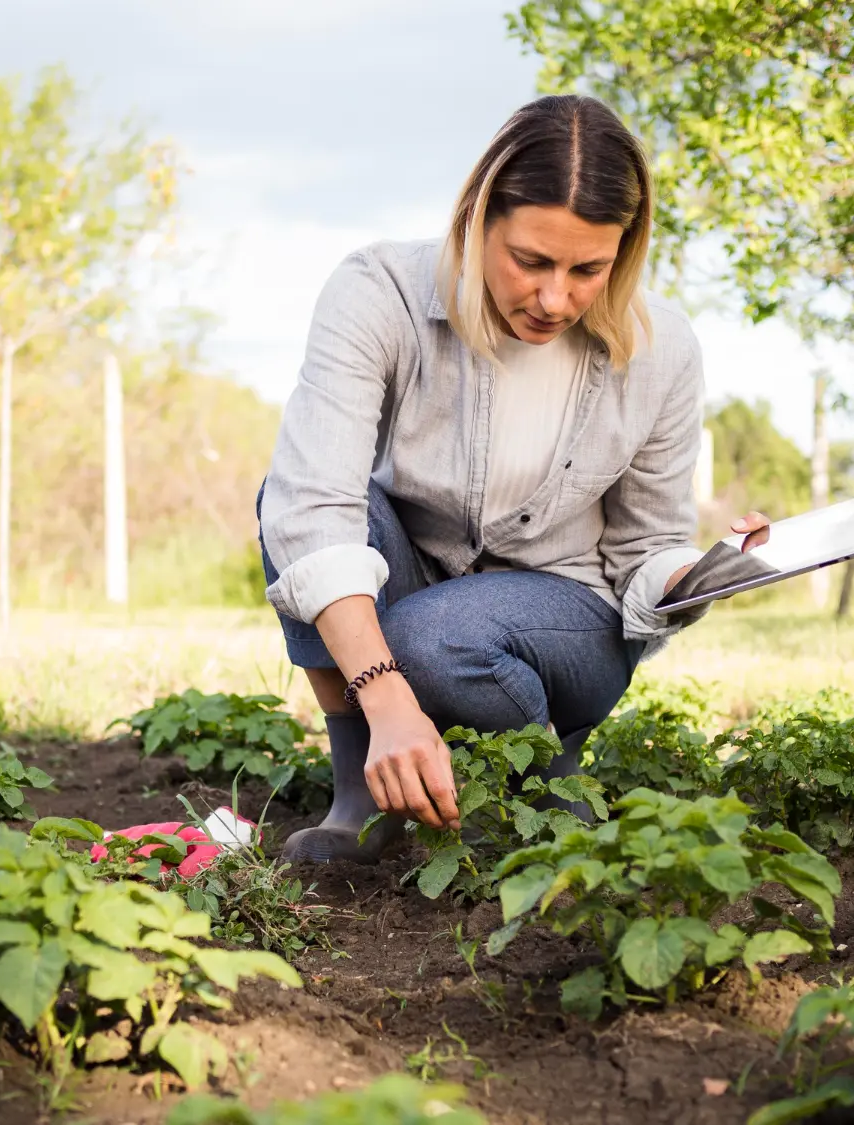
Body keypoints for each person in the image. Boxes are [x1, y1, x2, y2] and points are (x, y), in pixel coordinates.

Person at [257, 94, 768, 864]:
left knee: (429, 637)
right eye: (530, 260)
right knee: (296, 505)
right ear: (477, 218)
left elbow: (647, 544)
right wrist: (384, 695)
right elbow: (314, 511)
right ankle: (365, 805)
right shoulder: (378, 294)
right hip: (422, 579)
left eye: (589, 269)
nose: (555, 298)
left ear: (623, 252)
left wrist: (691, 575)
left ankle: (544, 787)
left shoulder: (662, 350)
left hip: (572, 620)